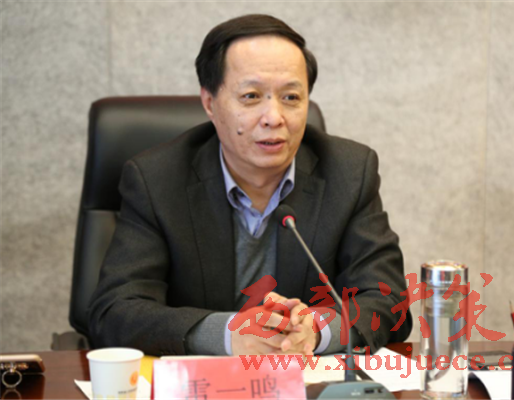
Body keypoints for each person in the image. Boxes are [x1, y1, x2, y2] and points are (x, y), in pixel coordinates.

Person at [88, 14, 412, 357]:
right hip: (200, 381)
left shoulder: (349, 172)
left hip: (305, 380)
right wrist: (227, 335)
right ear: (210, 103)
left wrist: (316, 330)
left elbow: (388, 300)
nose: (274, 117)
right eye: (252, 96)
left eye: (291, 97)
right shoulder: (157, 180)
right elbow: (115, 311)